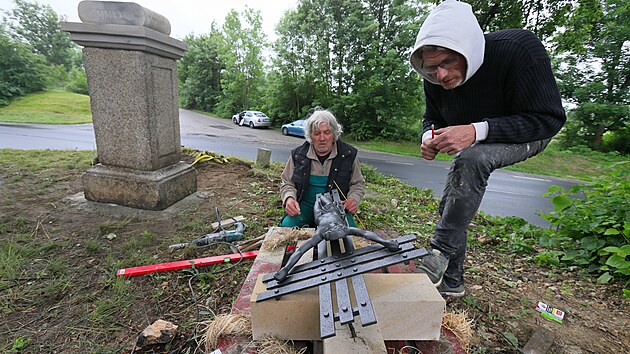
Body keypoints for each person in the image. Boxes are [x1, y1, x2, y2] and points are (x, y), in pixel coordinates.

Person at [409, 0, 566, 297]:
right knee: (455, 203)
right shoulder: (434, 79)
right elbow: (433, 116)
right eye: (432, 69)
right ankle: (452, 281)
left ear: (467, 49)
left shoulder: (518, 49)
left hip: (528, 129)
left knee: (471, 158)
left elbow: (549, 119)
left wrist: (476, 130)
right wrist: (428, 134)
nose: (440, 76)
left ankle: (439, 251)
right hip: (474, 139)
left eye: (447, 63)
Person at [279, 110, 365, 228]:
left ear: (334, 134)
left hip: (336, 209)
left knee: (350, 232)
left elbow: (358, 183)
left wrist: (353, 199)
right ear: (310, 136)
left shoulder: (348, 154)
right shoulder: (298, 155)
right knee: (287, 226)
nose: (322, 138)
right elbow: (287, 182)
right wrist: (288, 198)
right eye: (317, 133)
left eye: (327, 132)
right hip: (304, 207)